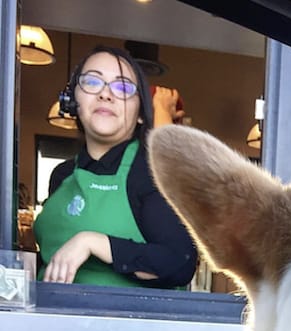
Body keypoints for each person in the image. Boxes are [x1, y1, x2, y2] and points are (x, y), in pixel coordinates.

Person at [33, 45, 197, 288]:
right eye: (92, 82)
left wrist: (92, 242)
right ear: (71, 100)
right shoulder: (62, 175)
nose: (106, 94)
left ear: (141, 113)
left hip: (126, 324)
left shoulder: (151, 172)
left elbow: (178, 263)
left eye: (122, 87)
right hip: (54, 319)